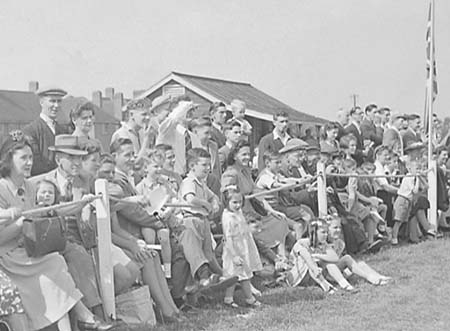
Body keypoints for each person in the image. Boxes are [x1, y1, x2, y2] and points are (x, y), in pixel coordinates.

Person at [0, 130, 114, 331]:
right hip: (8, 258)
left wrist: (80, 204)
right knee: (54, 265)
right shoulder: (1, 189)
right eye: (23, 158)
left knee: (55, 263)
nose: (29, 163)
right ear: (9, 160)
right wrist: (21, 222)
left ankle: (81, 318)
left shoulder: (30, 186)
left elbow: (53, 211)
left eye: (31, 157)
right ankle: (84, 316)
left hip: (28, 252)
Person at [108, 137, 183, 322]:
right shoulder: (115, 182)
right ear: (114, 156)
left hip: (131, 235)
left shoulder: (125, 179)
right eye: (127, 155)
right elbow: (132, 212)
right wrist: (157, 222)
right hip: (126, 235)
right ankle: (165, 309)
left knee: (153, 255)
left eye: (133, 154)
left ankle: (171, 306)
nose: (132, 159)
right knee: (148, 257)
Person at [222, 141, 291, 257]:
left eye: (248, 154)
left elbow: (257, 193)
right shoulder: (230, 173)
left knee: (280, 220)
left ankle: (281, 255)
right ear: (234, 156)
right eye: (243, 154)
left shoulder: (246, 171)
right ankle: (274, 259)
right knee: (255, 228)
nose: (247, 157)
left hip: (252, 211)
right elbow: (226, 196)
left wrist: (271, 211)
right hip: (240, 213)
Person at [222, 187, 262, 308]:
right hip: (234, 249)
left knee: (242, 274)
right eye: (234, 202)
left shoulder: (237, 213)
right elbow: (228, 237)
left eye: (240, 202)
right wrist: (234, 255)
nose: (238, 205)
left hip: (243, 247)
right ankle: (245, 298)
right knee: (236, 276)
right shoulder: (228, 217)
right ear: (227, 202)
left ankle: (235, 298)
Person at [136, 150, 173, 279]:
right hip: (147, 219)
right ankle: (153, 266)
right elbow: (138, 205)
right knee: (149, 237)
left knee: (164, 237)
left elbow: (172, 200)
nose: (159, 170)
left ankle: (167, 269)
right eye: (155, 166)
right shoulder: (140, 187)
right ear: (146, 168)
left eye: (161, 167)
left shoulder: (164, 185)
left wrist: (167, 212)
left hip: (161, 218)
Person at [327, 217, 392, 285]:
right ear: (328, 229)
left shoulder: (340, 243)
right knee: (347, 258)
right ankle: (370, 278)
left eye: (339, 227)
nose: (338, 230)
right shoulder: (325, 243)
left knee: (361, 264)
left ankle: (378, 276)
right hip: (330, 271)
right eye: (335, 228)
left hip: (339, 268)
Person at [22, 87, 68, 176]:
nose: (56, 105)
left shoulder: (64, 131)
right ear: (41, 102)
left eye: (59, 101)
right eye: (52, 101)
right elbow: (35, 164)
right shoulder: (31, 131)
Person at [283, 219, 336, 293]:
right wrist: (315, 265)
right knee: (309, 262)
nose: (326, 235)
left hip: (310, 274)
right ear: (314, 233)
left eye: (327, 232)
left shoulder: (323, 243)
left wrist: (318, 256)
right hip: (294, 276)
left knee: (329, 262)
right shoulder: (302, 243)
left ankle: (344, 284)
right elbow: (308, 259)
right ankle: (326, 285)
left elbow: (335, 258)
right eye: (323, 232)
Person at [156, 96, 196, 175]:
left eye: (192, 110)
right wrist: (184, 108)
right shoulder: (167, 131)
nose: (191, 113)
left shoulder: (192, 137)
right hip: (169, 177)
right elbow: (172, 120)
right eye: (187, 110)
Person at [110, 98, 152, 166]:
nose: (148, 118)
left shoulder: (142, 133)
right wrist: (146, 140)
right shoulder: (121, 134)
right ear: (131, 115)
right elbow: (133, 164)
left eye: (149, 114)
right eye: (144, 114)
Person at [189, 117, 222, 195]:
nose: (210, 136)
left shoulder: (213, 146)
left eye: (211, 133)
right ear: (195, 132)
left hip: (213, 185)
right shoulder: (190, 147)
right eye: (206, 133)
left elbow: (218, 169)